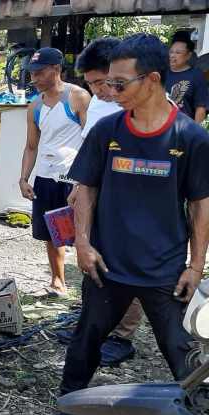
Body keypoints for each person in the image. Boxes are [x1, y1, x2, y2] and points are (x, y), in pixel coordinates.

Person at [59, 33, 209, 412]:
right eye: (108, 82)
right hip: (107, 266)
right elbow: (86, 191)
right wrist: (83, 243)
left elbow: (199, 206)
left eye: (119, 83)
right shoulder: (107, 132)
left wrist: (196, 265)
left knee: (181, 350)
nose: (110, 90)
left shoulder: (190, 137)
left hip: (165, 271)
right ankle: (69, 406)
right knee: (86, 339)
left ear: (153, 80)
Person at [74, 37, 144, 365]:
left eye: (101, 82)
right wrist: (80, 187)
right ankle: (94, 325)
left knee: (126, 267)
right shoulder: (100, 104)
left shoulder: (139, 107)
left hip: (130, 203)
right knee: (96, 262)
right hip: (98, 197)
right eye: (91, 84)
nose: (99, 90)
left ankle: (123, 335)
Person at [18, 47, 91, 298]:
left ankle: (90, 283)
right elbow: (30, 146)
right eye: (32, 73)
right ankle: (58, 280)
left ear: (56, 70)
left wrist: (82, 181)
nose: (34, 78)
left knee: (82, 231)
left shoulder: (78, 97)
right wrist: (23, 178)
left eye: (39, 73)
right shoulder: (35, 105)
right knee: (53, 232)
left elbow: (90, 142)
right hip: (45, 176)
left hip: (73, 178)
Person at [166, 32, 208, 123]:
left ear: (188, 55)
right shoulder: (162, 73)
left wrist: (194, 133)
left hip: (183, 130)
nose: (172, 55)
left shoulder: (196, 76)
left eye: (178, 52)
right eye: (171, 52)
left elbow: (200, 107)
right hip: (160, 129)